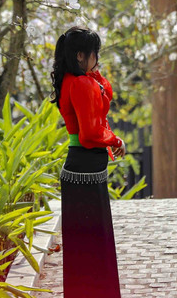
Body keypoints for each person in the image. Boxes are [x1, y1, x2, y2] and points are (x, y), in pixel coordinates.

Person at [51, 26, 125, 298]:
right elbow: (91, 133)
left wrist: (93, 72)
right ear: (81, 55)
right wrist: (116, 141)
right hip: (85, 164)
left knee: (85, 243)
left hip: (81, 165)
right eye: (95, 52)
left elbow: (104, 94)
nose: (98, 57)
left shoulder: (73, 79)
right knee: (94, 241)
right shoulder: (80, 84)